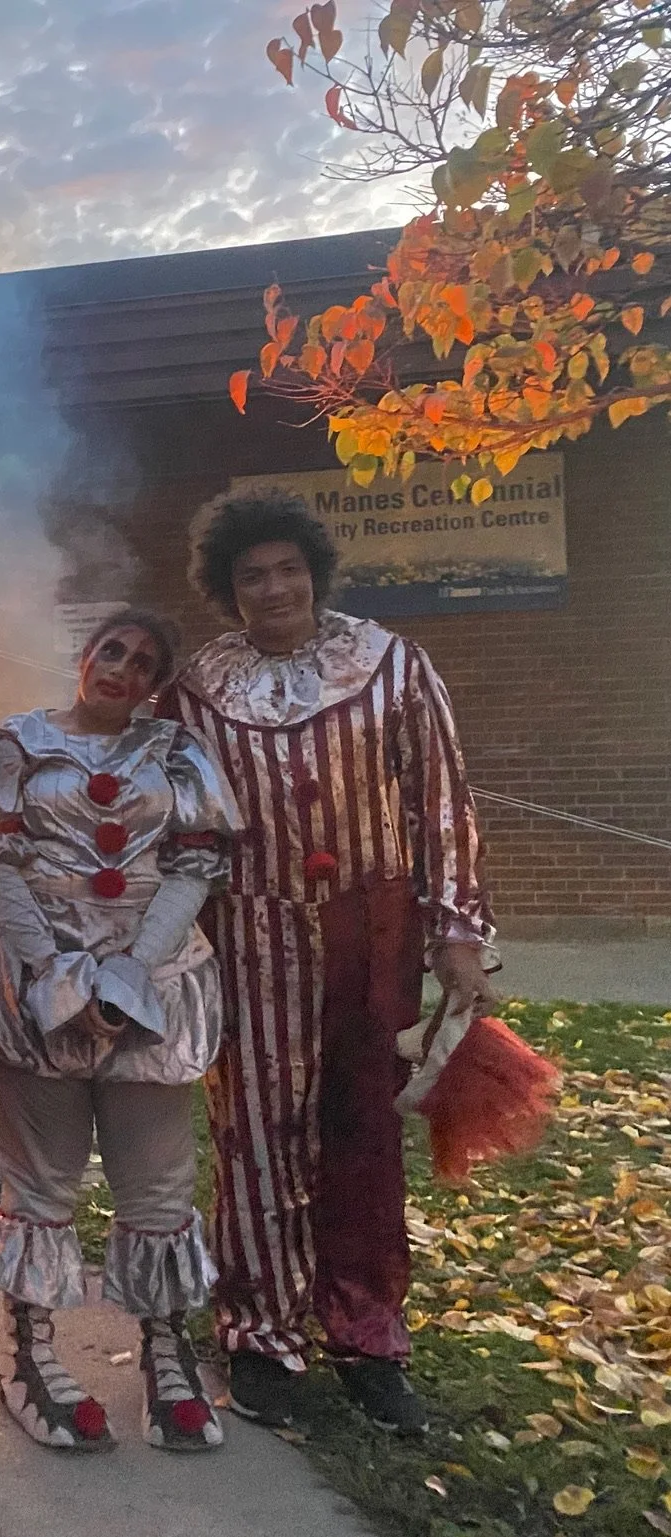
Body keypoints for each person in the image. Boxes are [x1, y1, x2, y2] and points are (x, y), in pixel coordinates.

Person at [161, 491, 499, 1437]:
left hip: (370, 929)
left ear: (314, 571)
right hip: (246, 931)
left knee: (359, 1135)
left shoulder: (392, 665)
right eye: (249, 575)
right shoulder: (197, 690)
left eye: (285, 569)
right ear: (228, 590)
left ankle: (365, 1335)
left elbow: (440, 799)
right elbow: (171, 817)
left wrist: (456, 931)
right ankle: (259, 1333)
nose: (272, 588)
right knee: (255, 1135)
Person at [0, 608, 240, 1453]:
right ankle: (28, 1353)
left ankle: (163, 1352)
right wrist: (54, 975)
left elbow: (194, 865)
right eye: (110, 650)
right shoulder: (12, 747)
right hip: (37, 982)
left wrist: (130, 974)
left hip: (154, 979)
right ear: (84, 655)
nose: (121, 667)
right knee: (39, 1179)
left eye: (142, 661)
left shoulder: (178, 755)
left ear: (154, 685)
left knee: (156, 1183)